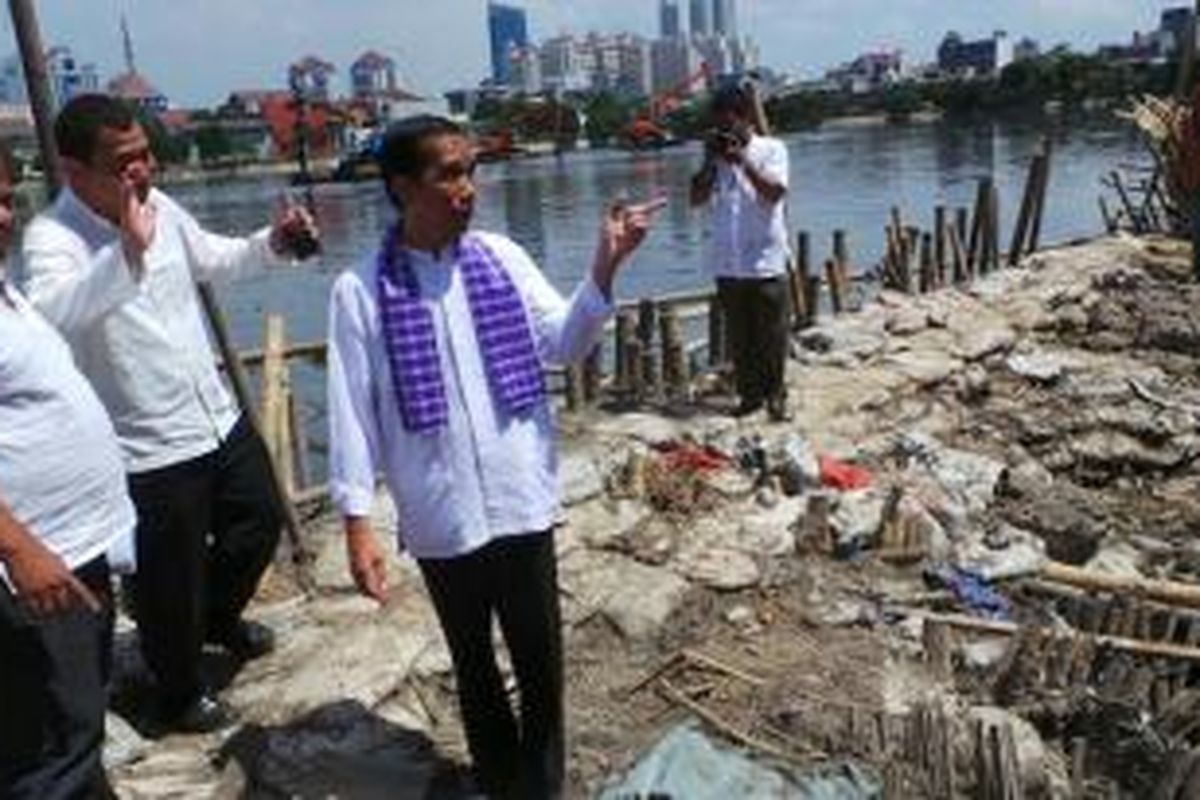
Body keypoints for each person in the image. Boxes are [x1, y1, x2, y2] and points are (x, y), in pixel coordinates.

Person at [327, 115, 662, 799]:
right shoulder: (360, 291)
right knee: (474, 664)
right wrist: (357, 522)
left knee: (541, 664)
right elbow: (352, 414)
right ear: (401, 186)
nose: (467, 187)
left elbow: (563, 345)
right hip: (440, 513)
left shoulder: (501, 258)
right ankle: (500, 784)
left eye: (470, 170)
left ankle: (540, 789)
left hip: (519, 500)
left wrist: (605, 265)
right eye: (447, 173)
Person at [21, 94, 320, 733]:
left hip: (210, 412)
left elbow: (215, 258)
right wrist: (124, 253)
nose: (141, 170)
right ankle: (177, 689)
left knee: (257, 521)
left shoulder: (161, 206)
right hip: (147, 439)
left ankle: (211, 621)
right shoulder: (54, 236)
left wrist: (276, 242)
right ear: (76, 171)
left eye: (145, 155)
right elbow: (52, 313)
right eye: (123, 162)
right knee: (168, 573)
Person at [0, 142, 135, 799]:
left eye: (3, 198)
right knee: (50, 748)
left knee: (76, 728)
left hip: (74, 551)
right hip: (32, 570)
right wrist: (19, 548)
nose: (1, 216)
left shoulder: (5, 292)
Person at [690, 82, 793, 421]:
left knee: (772, 336)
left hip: (765, 262)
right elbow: (696, 200)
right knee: (740, 337)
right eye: (718, 123)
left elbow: (774, 193)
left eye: (728, 121)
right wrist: (709, 160)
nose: (723, 129)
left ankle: (776, 396)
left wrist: (743, 161)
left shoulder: (772, 149)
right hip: (729, 263)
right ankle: (750, 397)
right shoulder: (716, 159)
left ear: (745, 118)